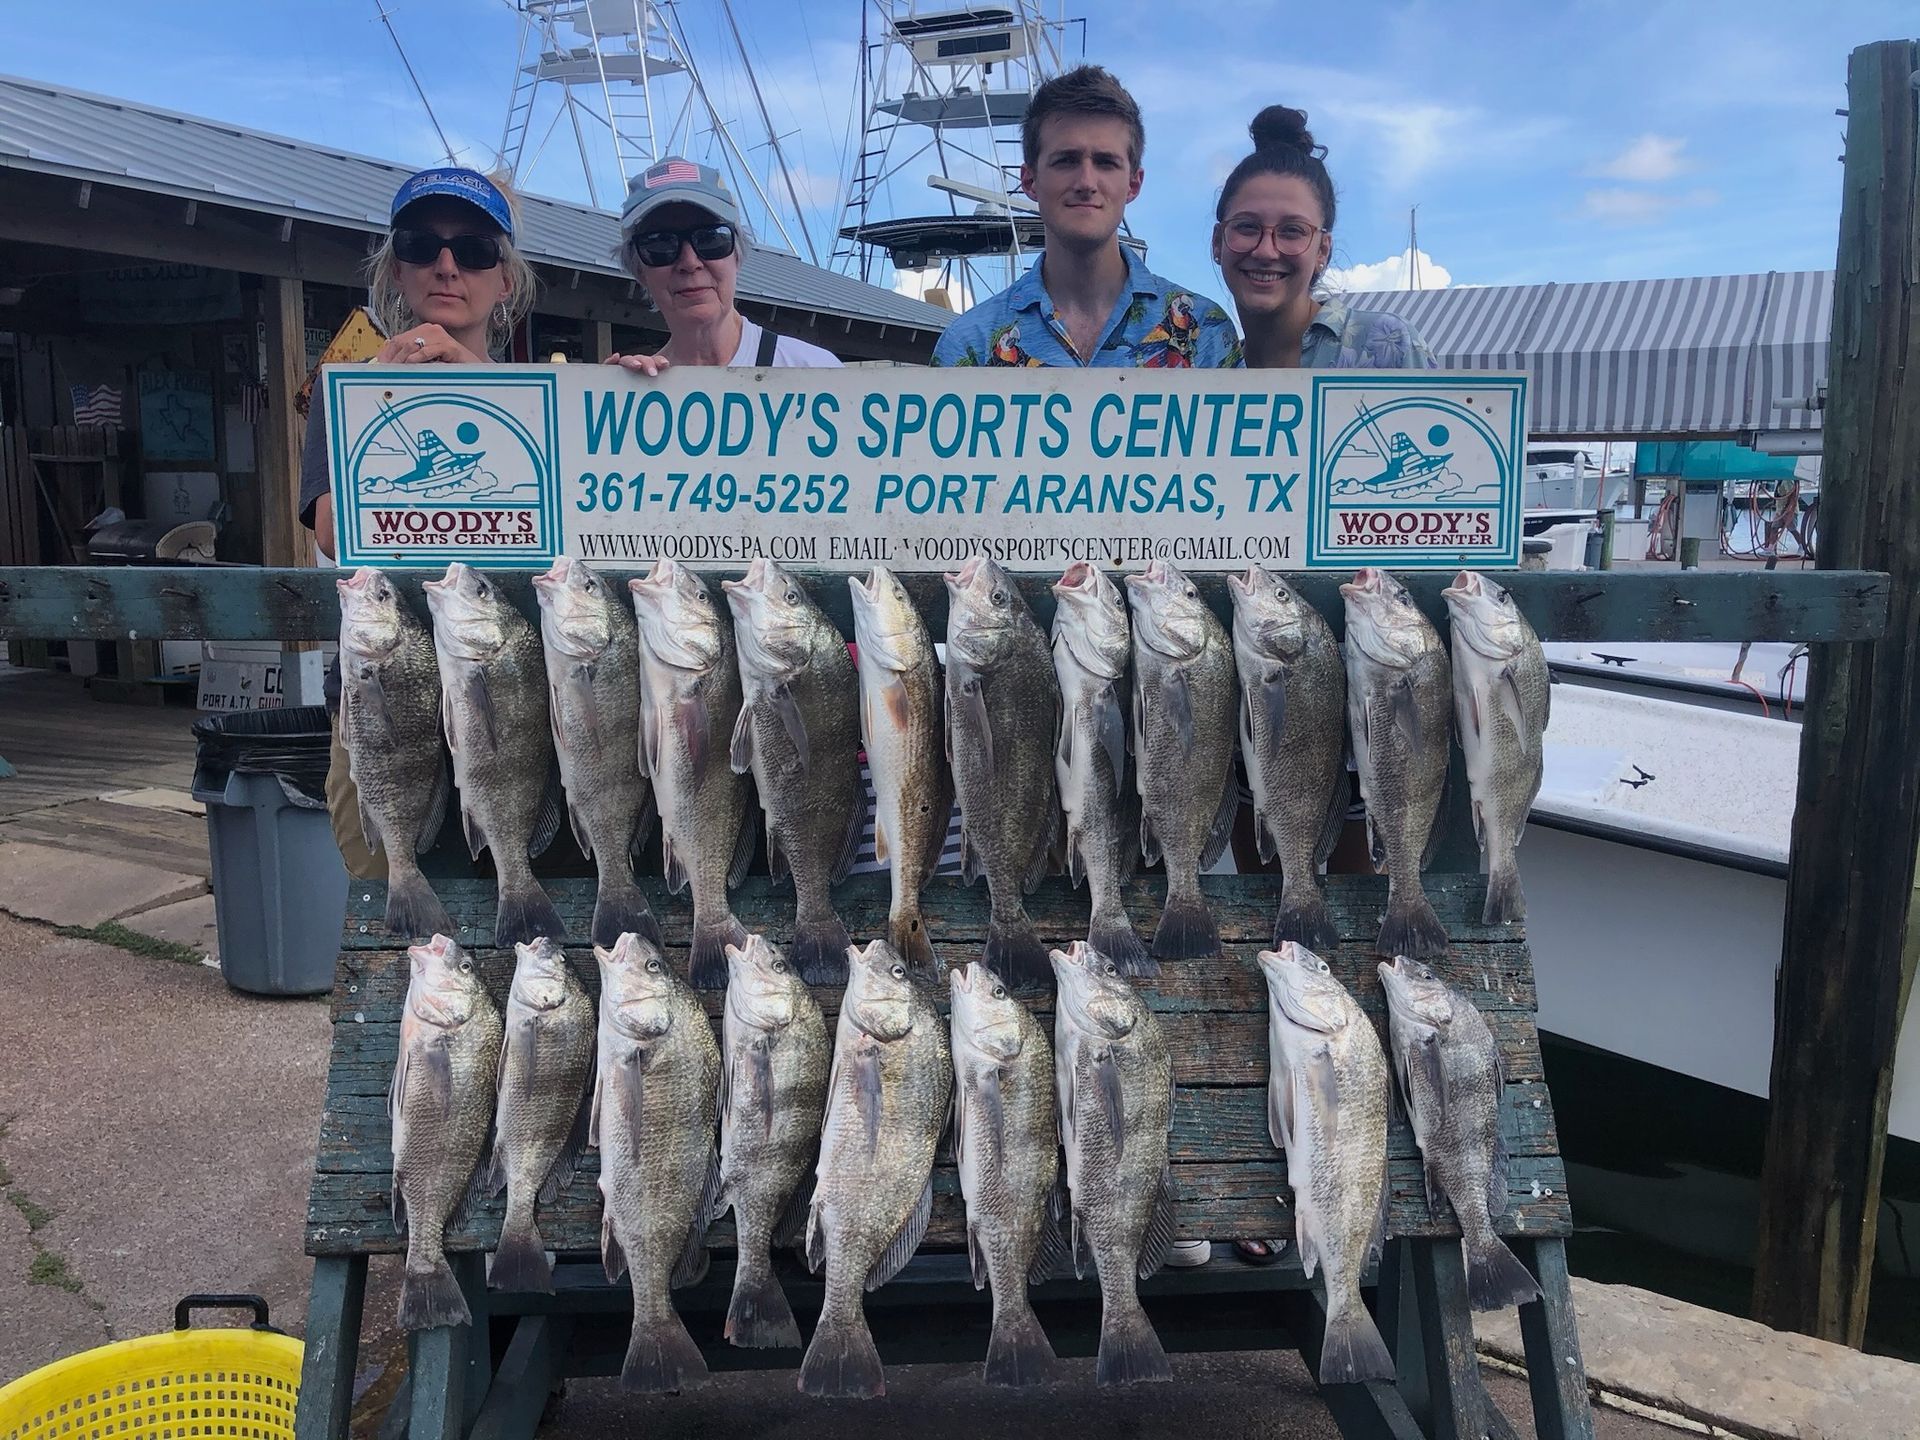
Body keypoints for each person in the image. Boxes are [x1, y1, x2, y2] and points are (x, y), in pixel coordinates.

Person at [1213, 106, 1438, 1267]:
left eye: (1290, 230)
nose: (1268, 247)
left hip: (1370, 678)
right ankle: (1285, 1166)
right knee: (1272, 908)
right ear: (1216, 240)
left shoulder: (1384, 352)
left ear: (1324, 244)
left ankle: (1377, 1163)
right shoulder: (1195, 361)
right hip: (1260, 681)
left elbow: (1445, 500)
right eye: (1247, 227)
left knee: (1368, 909)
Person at [299, 165, 536, 879]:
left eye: (473, 250)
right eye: (422, 244)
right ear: (395, 269)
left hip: (512, 698)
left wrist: (477, 386)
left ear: (505, 278)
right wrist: (388, 397)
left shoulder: (540, 403)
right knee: (390, 914)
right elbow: (335, 532)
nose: (446, 265)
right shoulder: (344, 390)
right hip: (382, 697)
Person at [932, 65, 1240, 370]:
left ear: (1133, 184)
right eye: (1066, 161)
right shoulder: (970, 348)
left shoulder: (1205, 334)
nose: (1086, 183)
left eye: (1106, 162)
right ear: (1029, 181)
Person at [604, 156, 840, 374]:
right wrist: (605, 397)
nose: (689, 262)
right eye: (660, 244)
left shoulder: (814, 372)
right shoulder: (634, 396)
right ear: (639, 270)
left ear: (737, 254)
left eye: (711, 239)